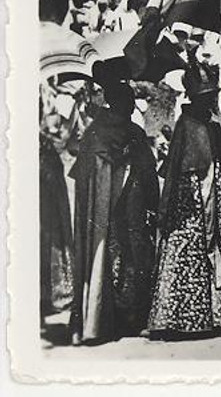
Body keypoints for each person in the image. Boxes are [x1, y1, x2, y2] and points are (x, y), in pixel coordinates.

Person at [68, 82, 159, 345]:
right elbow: (148, 173)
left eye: (131, 101)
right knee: (122, 255)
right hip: (116, 209)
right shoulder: (108, 133)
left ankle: (119, 315)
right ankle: (123, 315)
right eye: (126, 101)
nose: (130, 106)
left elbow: (148, 171)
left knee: (124, 256)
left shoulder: (108, 132)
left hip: (122, 207)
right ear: (116, 102)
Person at [148, 61, 221, 338]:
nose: (210, 101)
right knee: (188, 246)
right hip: (191, 198)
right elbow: (179, 166)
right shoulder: (187, 124)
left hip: (210, 194)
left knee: (211, 246)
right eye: (206, 97)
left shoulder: (211, 123)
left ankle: (212, 313)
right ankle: (179, 316)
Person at [39, 98, 74, 320]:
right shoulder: (43, 142)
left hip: (50, 182)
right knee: (48, 236)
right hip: (46, 185)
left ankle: (47, 295)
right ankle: (48, 295)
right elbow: (63, 141)